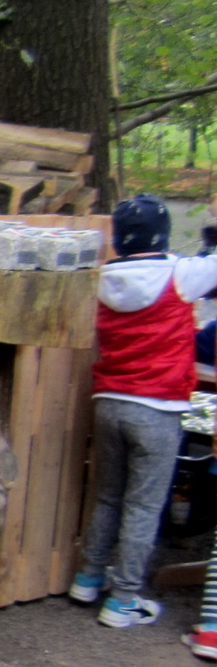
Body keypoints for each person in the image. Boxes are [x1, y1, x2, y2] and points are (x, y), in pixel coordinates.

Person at [67, 195, 217, 626]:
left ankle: (89, 577)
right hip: (158, 407)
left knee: (108, 496)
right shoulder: (180, 274)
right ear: (163, 235)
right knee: (143, 506)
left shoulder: (101, 279)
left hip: (109, 402)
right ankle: (124, 599)